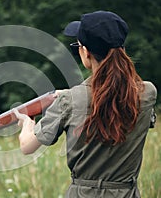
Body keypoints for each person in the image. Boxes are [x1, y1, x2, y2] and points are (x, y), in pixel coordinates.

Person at [13, 11, 157, 198]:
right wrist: (67, 95)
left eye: (77, 46)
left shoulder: (71, 101)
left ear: (86, 52)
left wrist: (26, 123)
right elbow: (107, 97)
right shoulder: (147, 93)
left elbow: (27, 147)